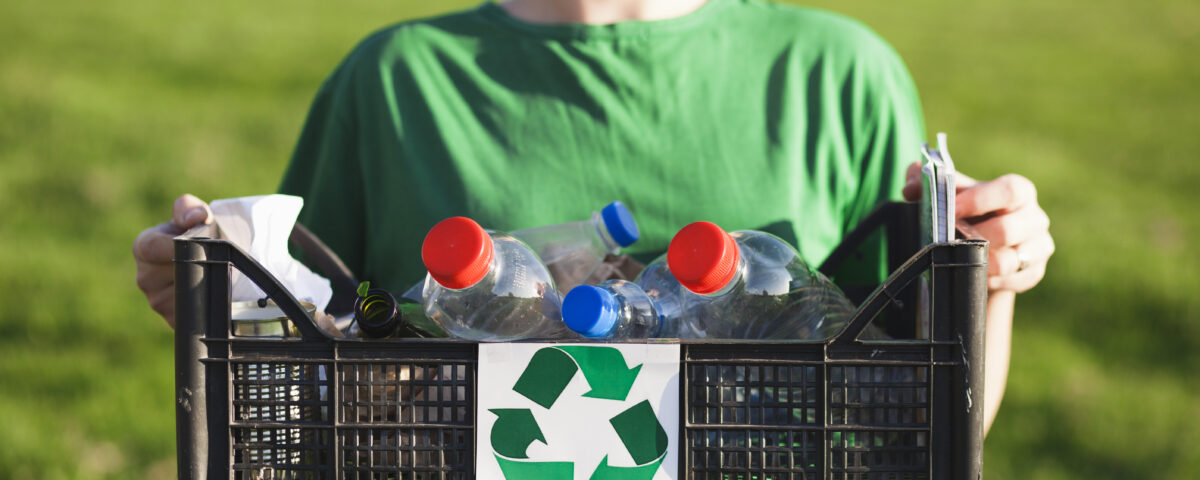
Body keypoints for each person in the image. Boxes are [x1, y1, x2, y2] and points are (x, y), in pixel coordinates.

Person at [133, 0, 1053, 433]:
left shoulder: (834, 74)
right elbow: (305, 375)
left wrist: (990, 277)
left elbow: (927, 420)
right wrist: (220, 296)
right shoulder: (396, 81)